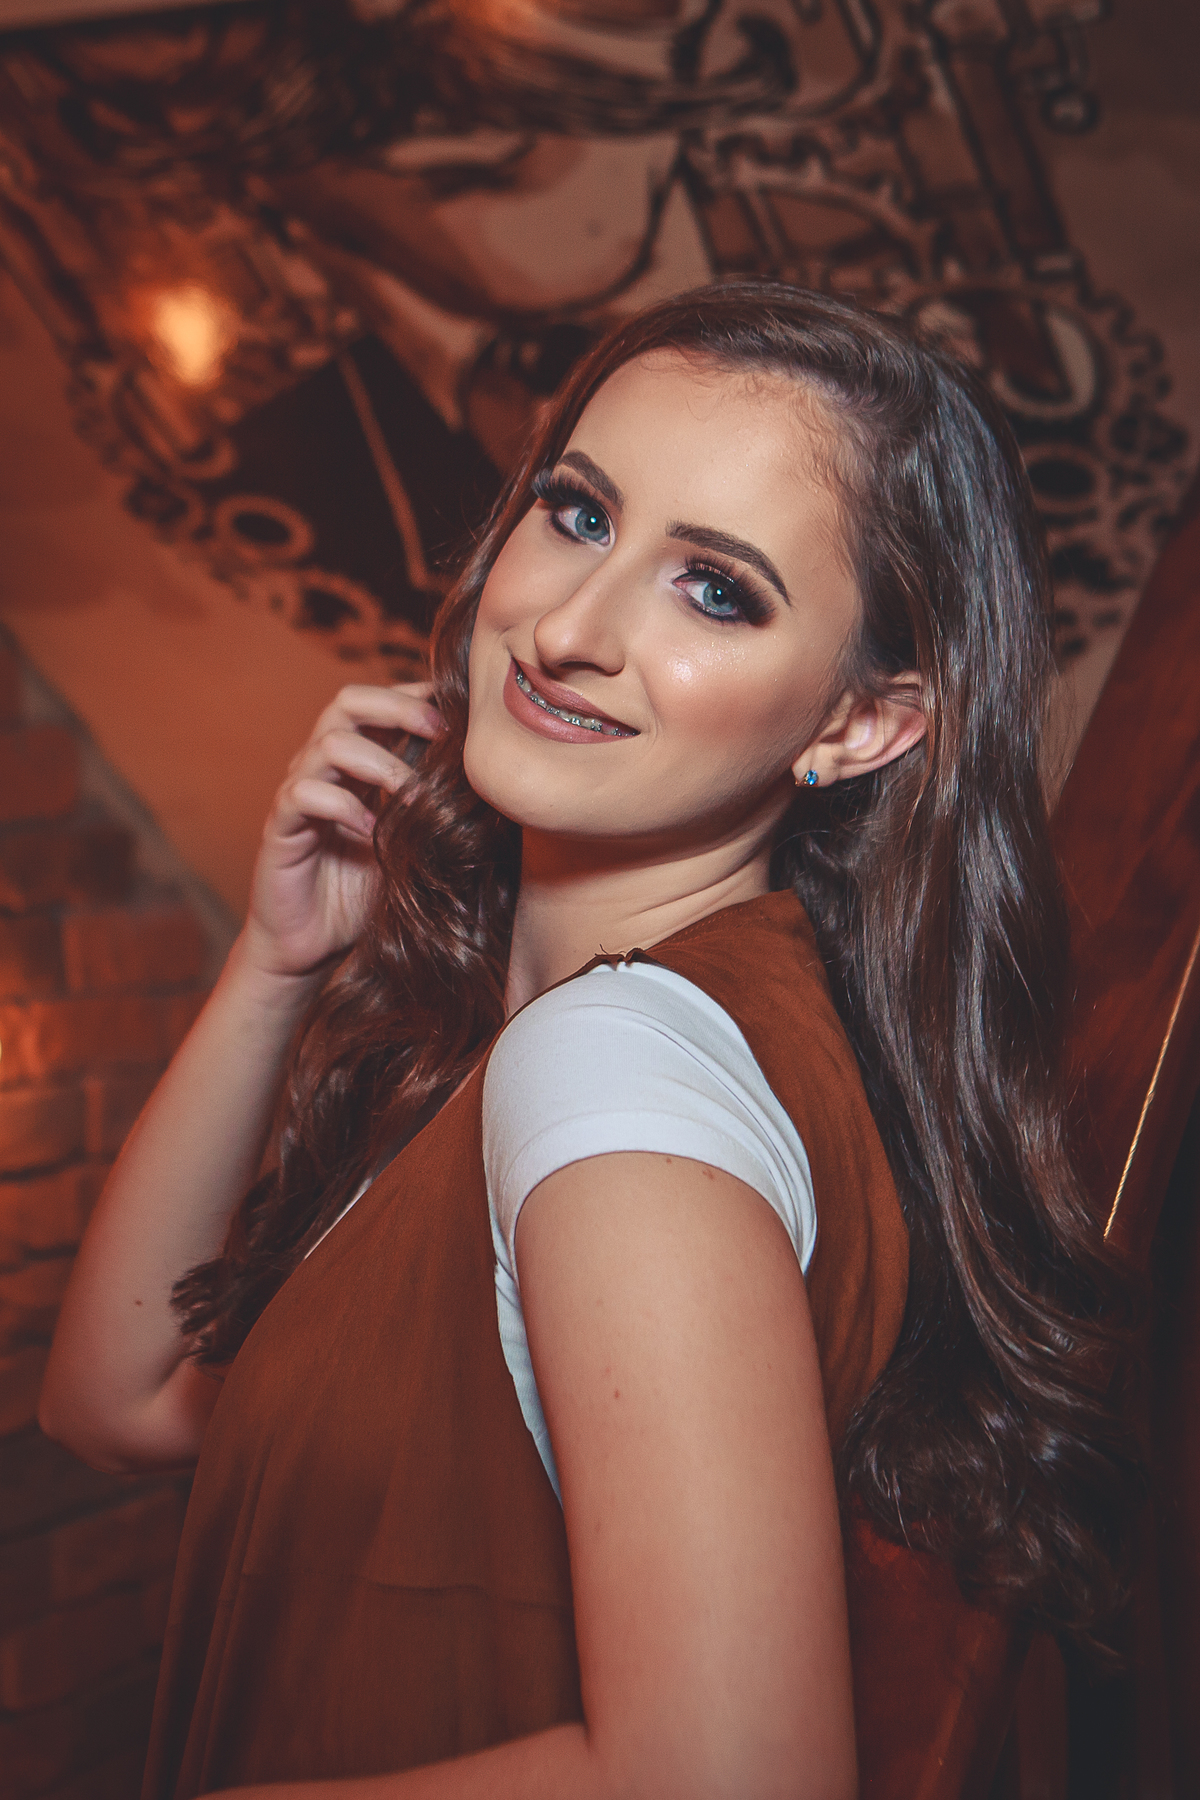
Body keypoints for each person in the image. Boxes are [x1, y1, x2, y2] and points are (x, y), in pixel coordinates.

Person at [41, 281, 1137, 1800]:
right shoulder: (662, 1039)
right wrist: (274, 964)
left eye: (716, 591)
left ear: (861, 726)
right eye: (577, 513)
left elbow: (733, 1777)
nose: (566, 629)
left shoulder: (617, 1063)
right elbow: (114, 1402)